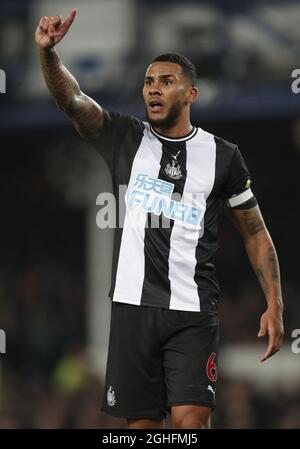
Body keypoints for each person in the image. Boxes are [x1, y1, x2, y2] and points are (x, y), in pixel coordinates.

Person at [35, 10, 284, 429]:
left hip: (192, 311)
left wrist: (274, 302)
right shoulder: (124, 137)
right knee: (142, 430)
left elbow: (255, 232)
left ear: (191, 94)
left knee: (190, 426)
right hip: (133, 311)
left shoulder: (223, 156)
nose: (154, 89)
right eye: (149, 81)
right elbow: (73, 100)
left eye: (167, 82)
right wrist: (48, 56)